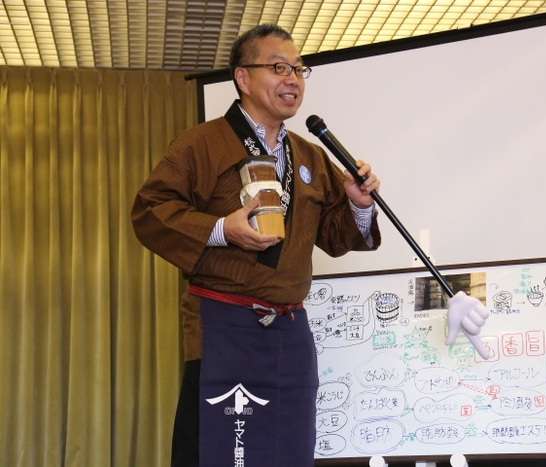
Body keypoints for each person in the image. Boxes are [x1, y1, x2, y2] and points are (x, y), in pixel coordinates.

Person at [131, 24, 381, 467]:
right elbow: (150, 211)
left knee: (290, 448)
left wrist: (360, 206)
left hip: (290, 329)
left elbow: (333, 234)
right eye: (279, 68)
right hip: (223, 324)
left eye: (299, 70)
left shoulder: (309, 154)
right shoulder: (200, 143)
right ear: (243, 78)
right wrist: (221, 229)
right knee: (220, 449)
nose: (293, 79)